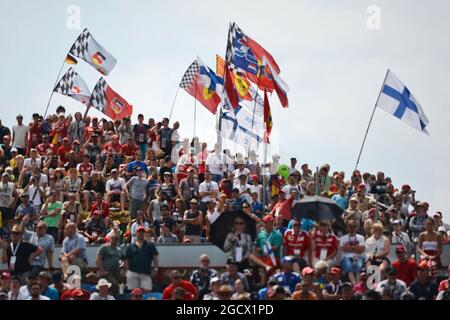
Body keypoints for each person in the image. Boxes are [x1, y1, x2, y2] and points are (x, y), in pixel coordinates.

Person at [124, 225, 159, 293]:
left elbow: (155, 256)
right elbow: (126, 259)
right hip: (133, 273)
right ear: (136, 233)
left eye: (143, 232)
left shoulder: (150, 245)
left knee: (146, 292)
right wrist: (127, 270)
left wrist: (155, 268)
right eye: (139, 232)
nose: (141, 233)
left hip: (146, 272)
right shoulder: (131, 246)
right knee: (134, 293)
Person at [339, 219, 365, 284]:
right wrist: (355, 247)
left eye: (354, 226)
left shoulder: (361, 237)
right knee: (349, 267)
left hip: (358, 257)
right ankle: (354, 284)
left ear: (357, 227)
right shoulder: (343, 238)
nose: (352, 228)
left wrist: (349, 247)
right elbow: (343, 249)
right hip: (346, 257)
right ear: (347, 227)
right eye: (350, 226)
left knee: (358, 267)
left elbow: (361, 250)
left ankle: (357, 284)